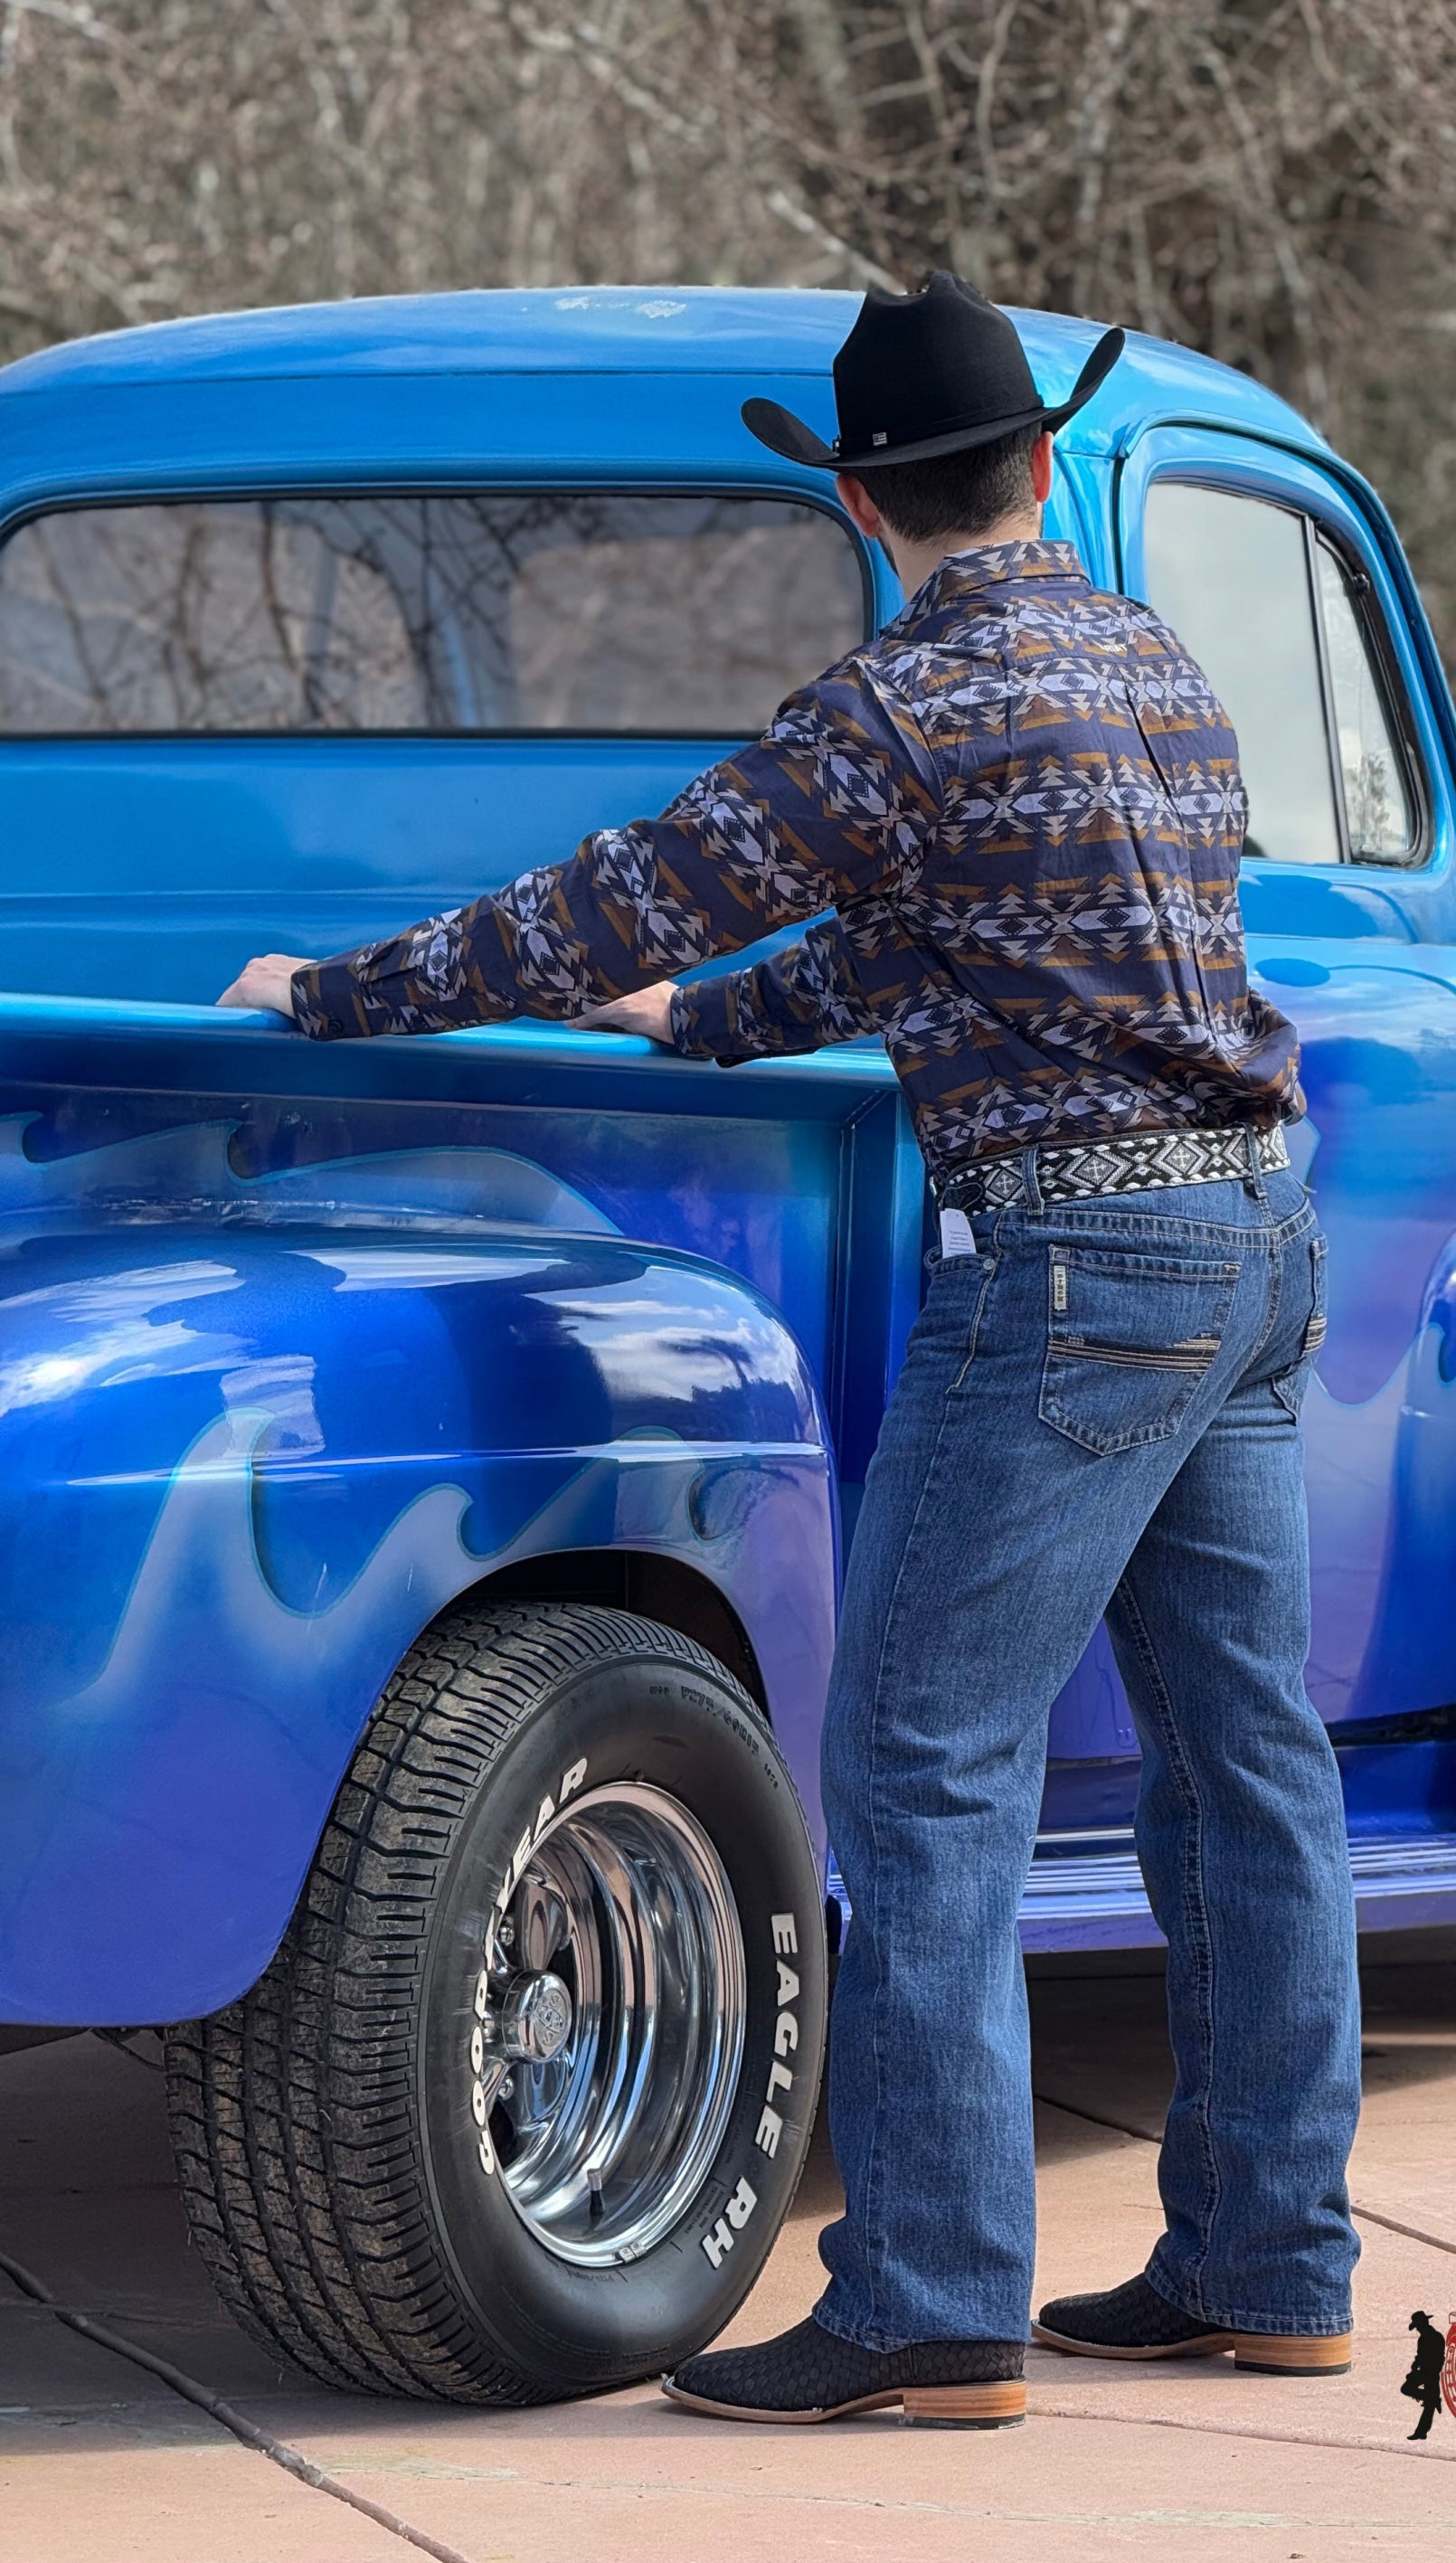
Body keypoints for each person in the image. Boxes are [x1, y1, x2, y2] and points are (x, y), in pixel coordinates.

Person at [221, 271, 1363, 2429]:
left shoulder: (903, 707)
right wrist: (725, 1017)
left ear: (857, 495)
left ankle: (931, 2296)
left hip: (1071, 1272)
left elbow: (619, 899)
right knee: (1247, 1773)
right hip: (1252, 1237)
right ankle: (1269, 2255)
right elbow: (962, 930)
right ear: (1035, 467)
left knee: (922, 1769)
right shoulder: (1154, 667)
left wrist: (328, 997)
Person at [1402, 2310, 1446, 2439]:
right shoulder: (1435, 2336)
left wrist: (1416, 2369)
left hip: (1429, 2371)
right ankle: (1421, 2432)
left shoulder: (1428, 2338)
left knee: (1408, 2389)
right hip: (1431, 2371)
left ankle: (1421, 2432)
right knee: (1429, 2404)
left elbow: (1424, 2357)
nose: (1418, 2329)